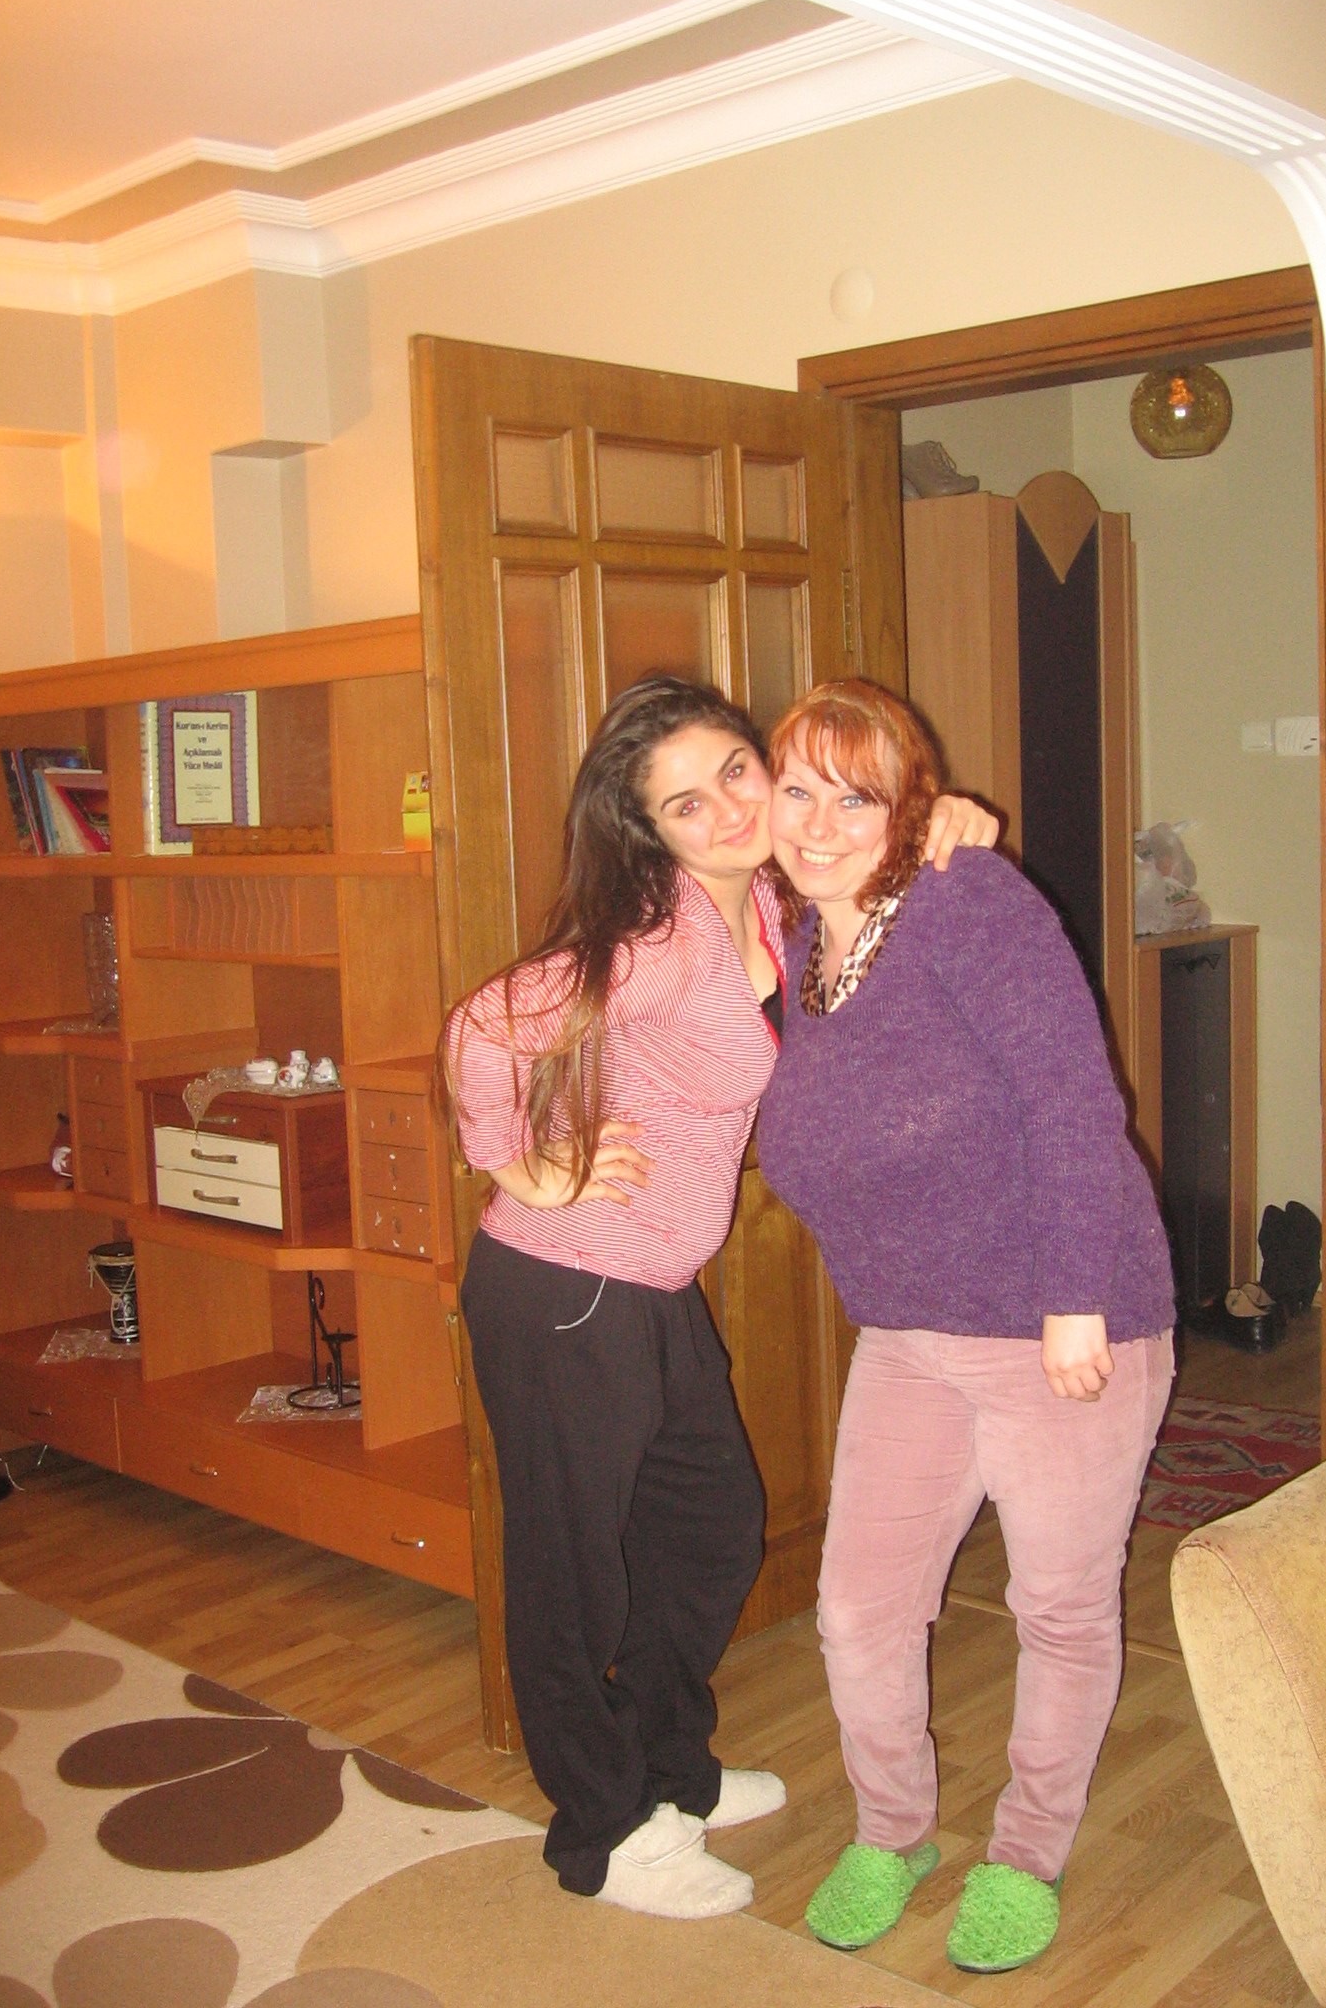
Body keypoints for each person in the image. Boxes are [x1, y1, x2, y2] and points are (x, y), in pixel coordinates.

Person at [442, 674, 996, 1922]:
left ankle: (670, 1767)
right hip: (565, 1285)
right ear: (653, 831)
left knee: (711, 1526)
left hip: (653, 1285)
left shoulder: (778, 903)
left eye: (736, 770)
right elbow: (482, 1029)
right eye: (687, 803)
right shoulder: (657, 936)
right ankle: (602, 1829)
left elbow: (884, 871)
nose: (731, 808)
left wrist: (946, 819)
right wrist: (517, 1158)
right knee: (573, 1569)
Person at [754, 678, 1175, 1975]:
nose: (819, 823)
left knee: (1059, 1607)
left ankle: (1027, 1853)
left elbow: (1070, 1100)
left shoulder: (968, 902)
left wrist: (1075, 1298)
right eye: (798, 790)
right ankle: (893, 1830)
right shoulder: (790, 932)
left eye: (858, 798)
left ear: (910, 810)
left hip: (1065, 1323)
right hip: (909, 1333)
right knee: (858, 1607)